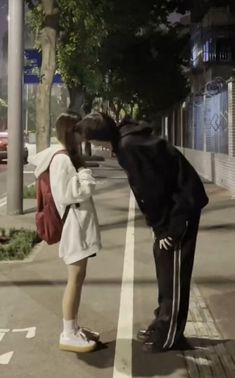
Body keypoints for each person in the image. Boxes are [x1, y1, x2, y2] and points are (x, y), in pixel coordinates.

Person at [76, 112, 209, 353]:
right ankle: (162, 324)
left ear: (102, 138)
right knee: (165, 267)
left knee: (174, 275)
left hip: (181, 211)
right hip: (173, 210)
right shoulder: (127, 141)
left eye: (94, 142)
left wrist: (168, 229)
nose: (94, 147)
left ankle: (170, 337)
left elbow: (152, 191)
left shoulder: (129, 147)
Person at [29, 112, 101, 353]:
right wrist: (85, 174)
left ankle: (73, 327)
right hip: (73, 227)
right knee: (74, 280)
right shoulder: (62, 160)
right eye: (80, 131)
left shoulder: (63, 157)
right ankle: (68, 333)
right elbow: (69, 194)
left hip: (76, 225)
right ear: (71, 132)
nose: (83, 136)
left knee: (77, 279)